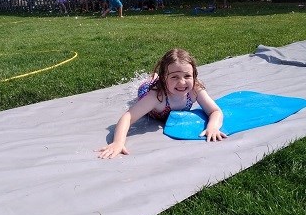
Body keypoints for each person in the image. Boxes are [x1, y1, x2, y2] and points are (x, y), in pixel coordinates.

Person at [97, 48, 226, 159]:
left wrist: (213, 127)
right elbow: (128, 117)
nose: (182, 82)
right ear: (165, 79)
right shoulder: (156, 97)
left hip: (164, 84)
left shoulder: (194, 90)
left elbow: (215, 111)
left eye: (187, 76)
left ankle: (159, 76)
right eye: (174, 77)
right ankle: (154, 78)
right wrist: (118, 142)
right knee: (148, 85)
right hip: (146, 90)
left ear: (194, 76)